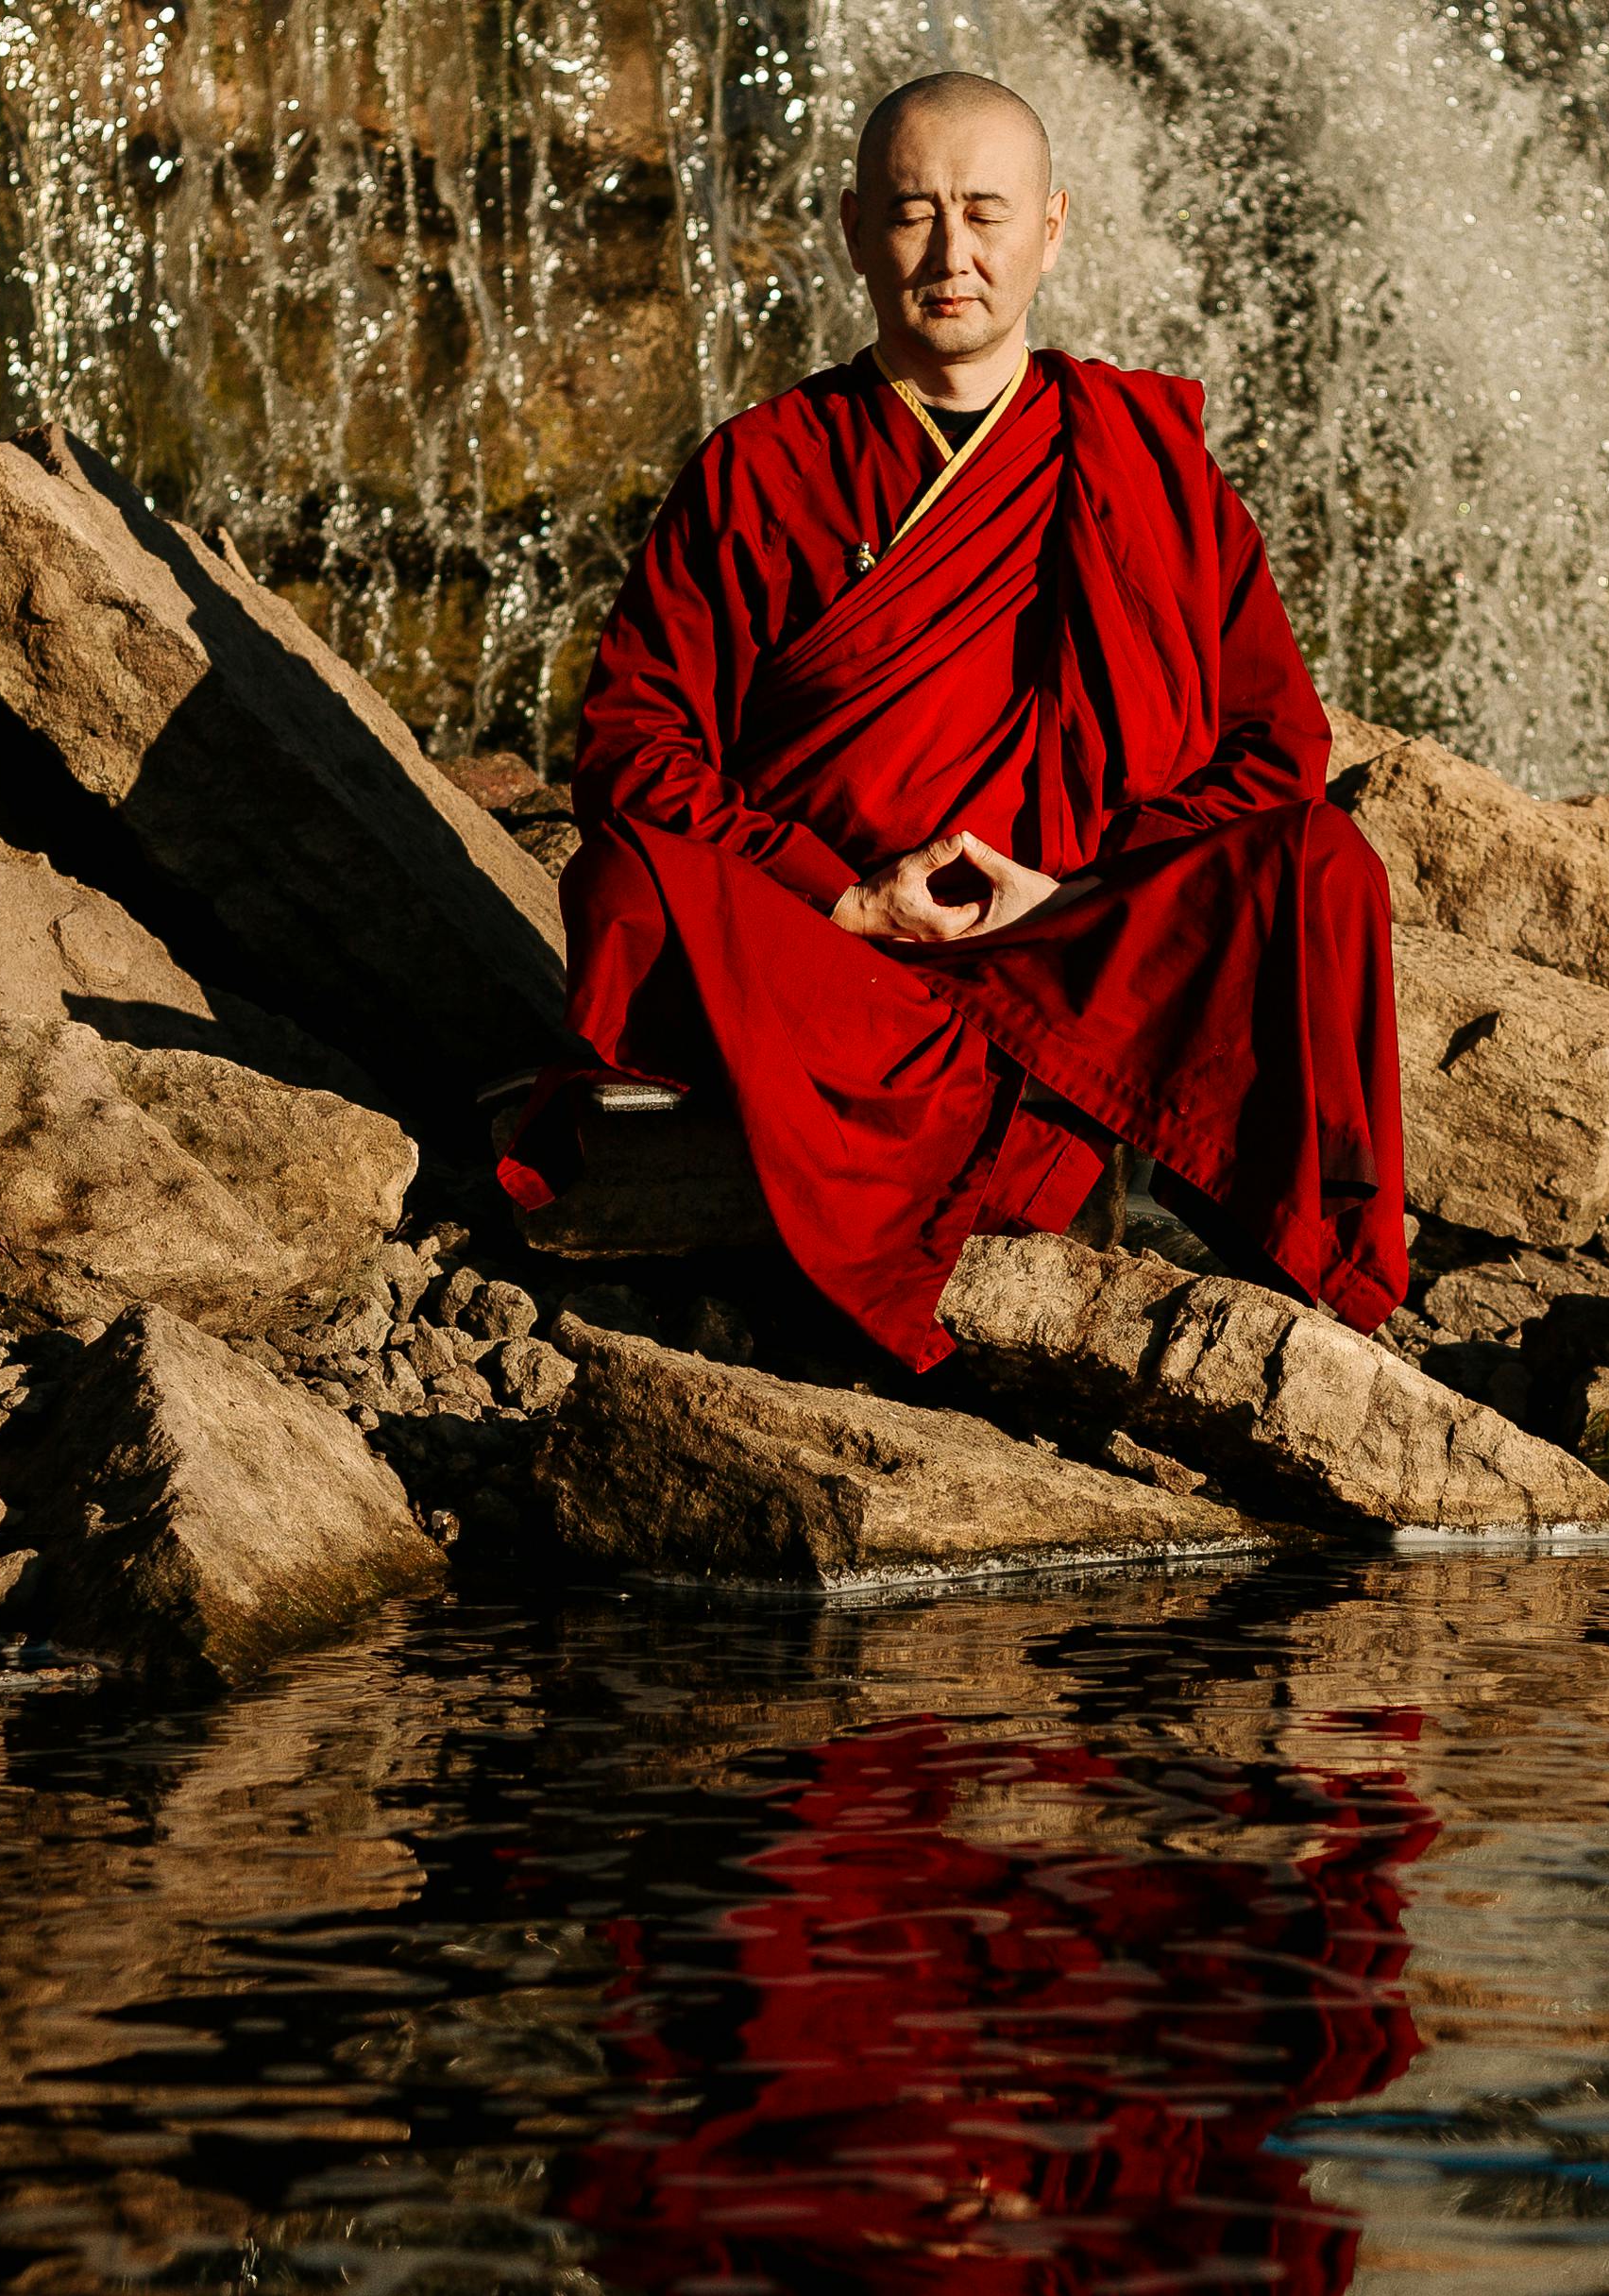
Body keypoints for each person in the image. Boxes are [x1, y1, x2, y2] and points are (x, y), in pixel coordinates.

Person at [510, 70, 1404, 1370]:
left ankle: (1270, 1260)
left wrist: (1068, 894)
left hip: (1083, 936)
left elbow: (1276, 749)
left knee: (1322, 863)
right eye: (913, 212)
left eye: (985, 212)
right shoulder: (762, 465)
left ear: (1050, 226)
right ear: (851, 226)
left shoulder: (1143, 456)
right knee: (630, 878)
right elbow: (636, 743)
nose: (951, 254)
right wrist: (840, 894)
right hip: (836, 949)